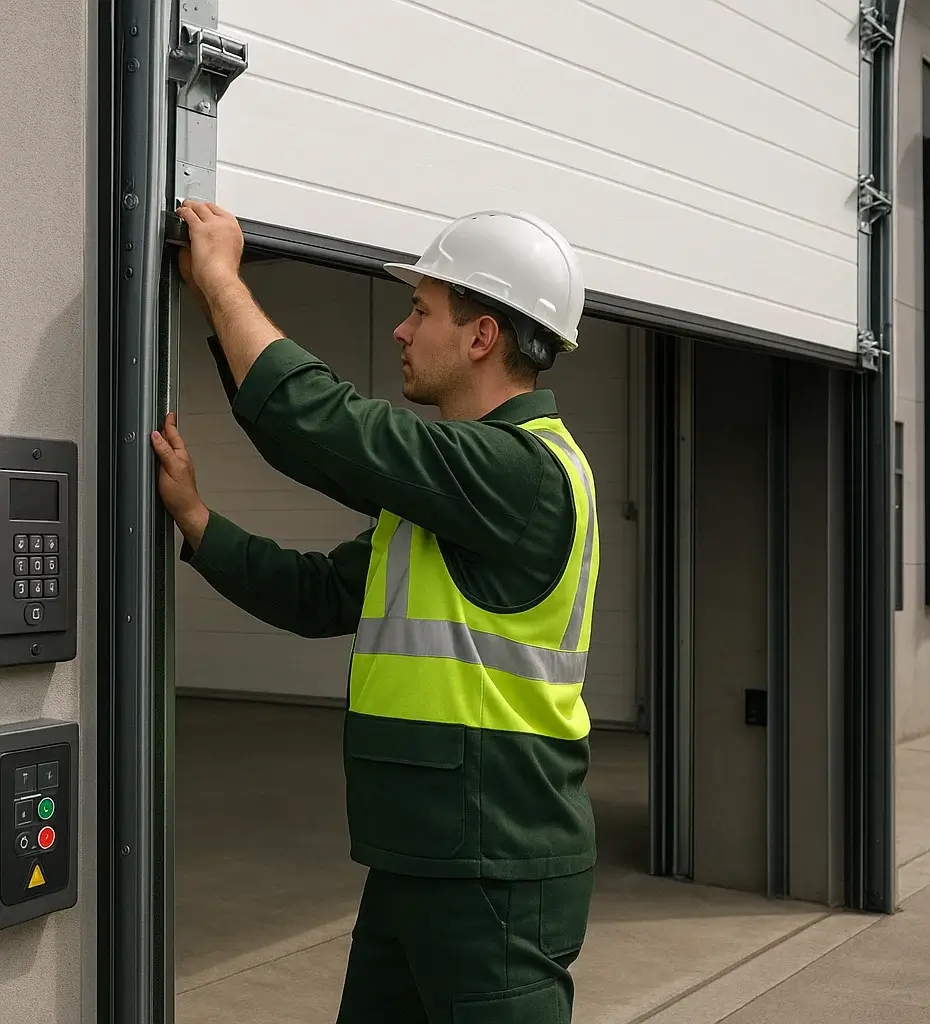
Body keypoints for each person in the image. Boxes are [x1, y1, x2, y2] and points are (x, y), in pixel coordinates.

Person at [152, 200, 601, 1023]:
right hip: (426, 854)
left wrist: (220, 280)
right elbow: (319, 594)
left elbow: (327, 427)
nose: (401, 330)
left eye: (420, 310)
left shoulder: (521, 474)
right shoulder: (451, 500)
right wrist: (196, 521)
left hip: (493, 868)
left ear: (482, 336)